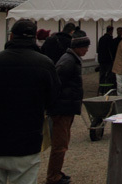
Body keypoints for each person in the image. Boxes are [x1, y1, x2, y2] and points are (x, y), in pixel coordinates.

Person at [0, 19, 60, 184]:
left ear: (11, 36)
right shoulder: (45, 64)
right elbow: (53, 99)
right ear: (34, 38)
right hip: (27, 139)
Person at [46, 33, 90, 184]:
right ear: (77, 48)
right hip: (62, 107)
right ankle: (53, 176)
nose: (87, 50)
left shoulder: (70, 59)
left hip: (66, 106)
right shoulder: (68, 61)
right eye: (85, 47)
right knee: (60, 144)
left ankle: (56, 171)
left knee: (63, 143)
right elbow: (55, 82)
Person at [97, 26, 116, 91]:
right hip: (108, 60)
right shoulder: (110, 39)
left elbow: (98, 49)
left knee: (102, 74)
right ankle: (107, 88)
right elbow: (112, 50)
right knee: (109, 74)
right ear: (111, 31)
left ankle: (101, 88)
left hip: (101, 59)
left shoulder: (101, 38)